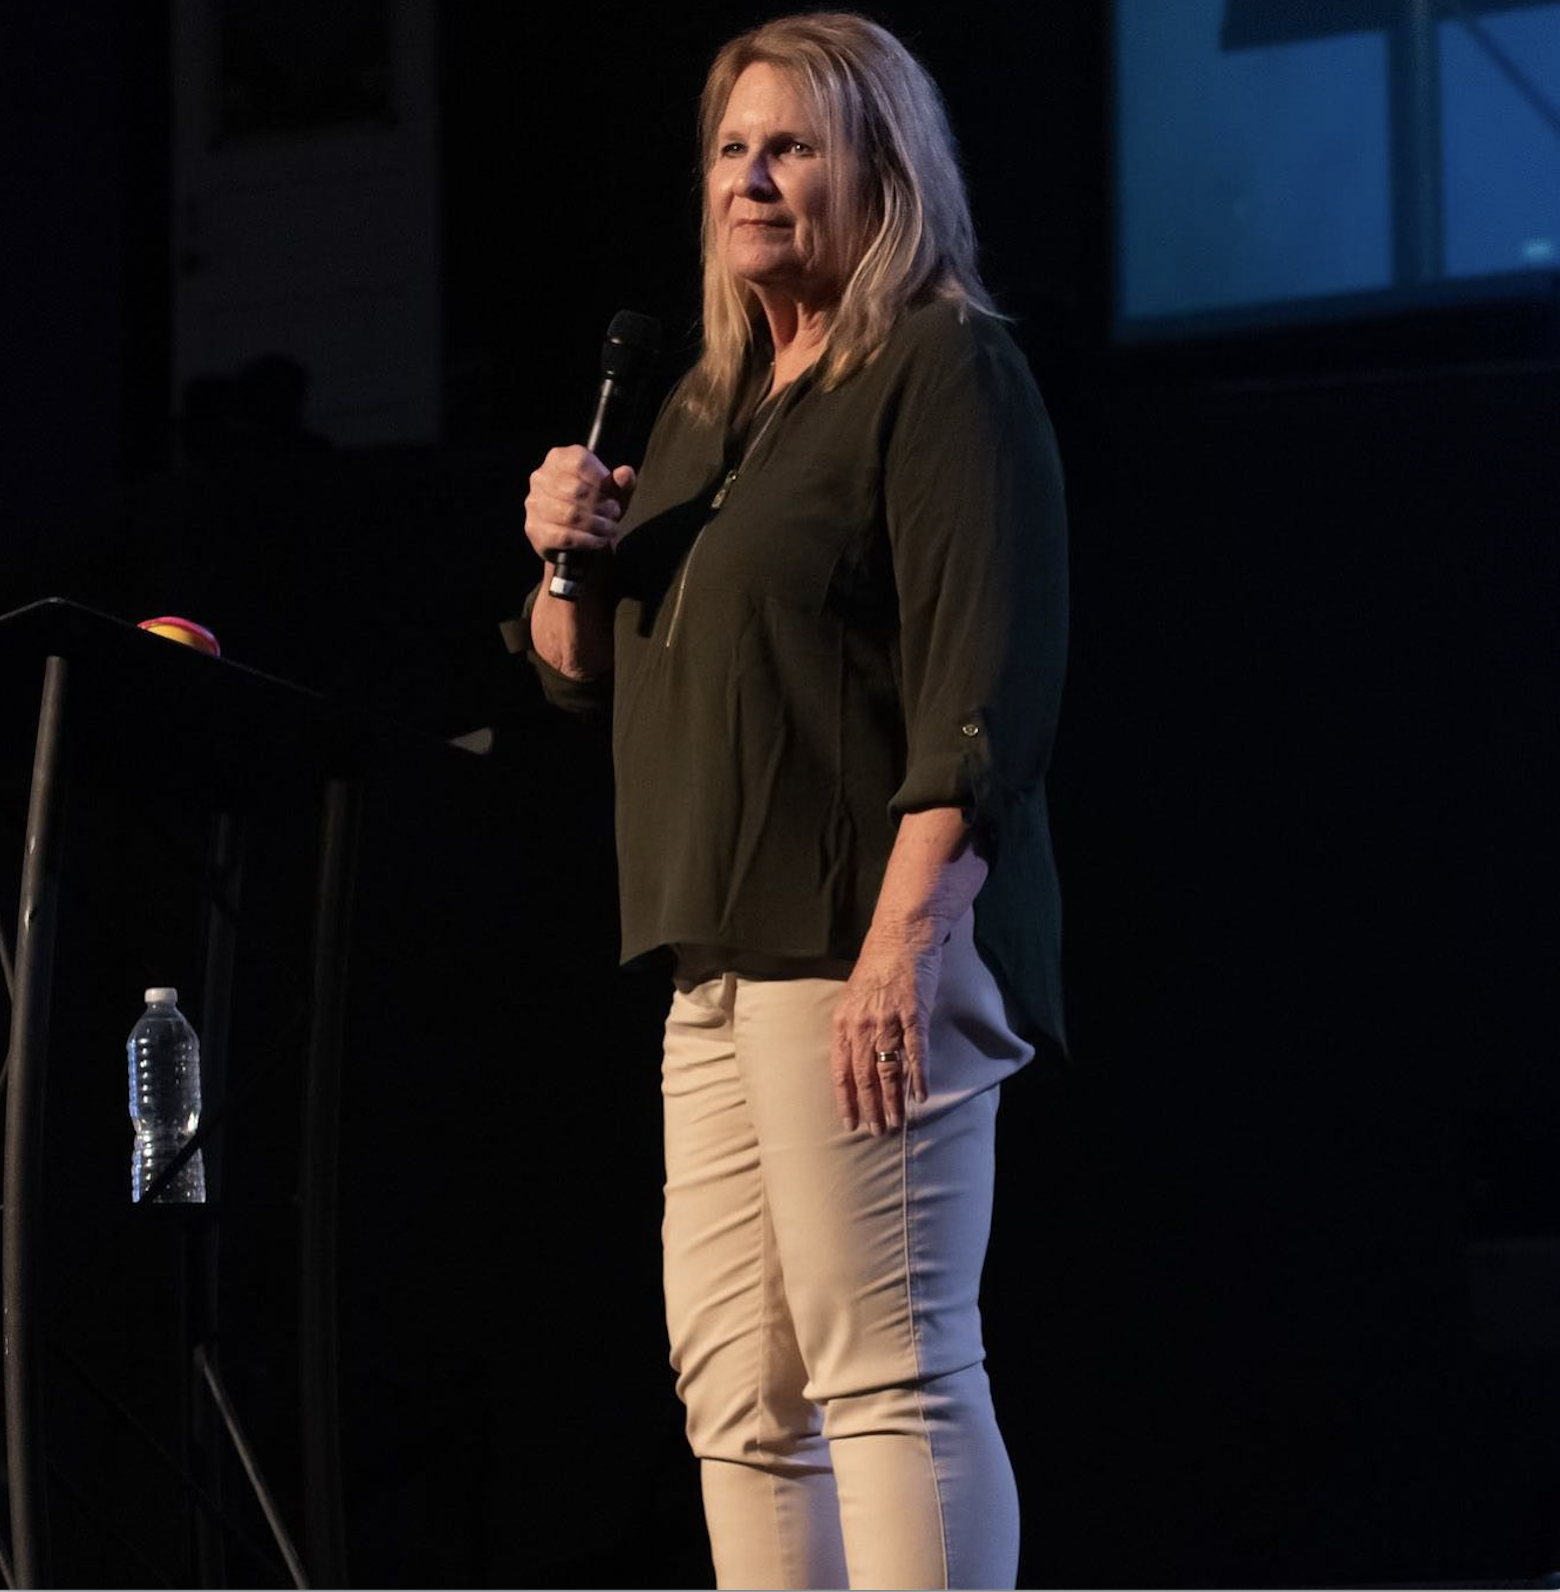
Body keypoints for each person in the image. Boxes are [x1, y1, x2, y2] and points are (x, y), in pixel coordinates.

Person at [519, 13, 1067, 1588]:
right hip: (713, 952)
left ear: (879, 168)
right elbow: (582, 671)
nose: (751, 180)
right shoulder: (699, 406)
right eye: (731, 150)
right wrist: (563, 549)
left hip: (858, 938)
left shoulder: (942, 368)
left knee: (886, 1369)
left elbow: (990, 676)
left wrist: (905, 941)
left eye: (793, 148)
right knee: (743, 1399)